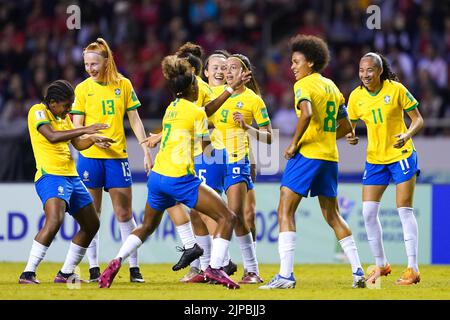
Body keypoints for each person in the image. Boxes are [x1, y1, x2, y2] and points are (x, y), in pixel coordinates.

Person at [98, 55, 240, 289]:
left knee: (146, 227)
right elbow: (206, 148)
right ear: (193, 88)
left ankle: (115, 262)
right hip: (179, 178)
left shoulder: (171, 109)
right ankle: (214, 268)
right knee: (227, 217)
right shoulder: (195, 113)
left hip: (157, 178)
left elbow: (191, 122)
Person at [260, 34, 366, 289]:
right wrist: (345, 136)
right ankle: (359, 272)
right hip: (329, 156)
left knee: (285, 209)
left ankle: (285, 276)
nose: (292, 67)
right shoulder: (332, 86)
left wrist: (294, 143)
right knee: (332, 214)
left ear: (310, 62)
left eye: (296, 61)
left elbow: (306, 113)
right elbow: (346, 127)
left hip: (307, 155)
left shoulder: (304, 85)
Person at [71, 38, 153, 283]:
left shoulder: (123, 85)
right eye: (86, 64)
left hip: (117, 158)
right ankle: (94, 268)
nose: (90, 68)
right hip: (90, 158)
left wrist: (145, 149)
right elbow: (77, 126)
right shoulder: (83, 88)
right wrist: (93, 138)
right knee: (91, 215)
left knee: (124, 213)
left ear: (107, 62)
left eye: (94, 64)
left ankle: (133, 268)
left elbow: (135, 119)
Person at [19, 80, 114, 284]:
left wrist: (93, 139)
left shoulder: (64, 118)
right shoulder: (38, 111)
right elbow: (52, 137)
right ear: (52, 102)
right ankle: (28, 272)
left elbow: (78, 143)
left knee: (91, 224)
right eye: (66, 105)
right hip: (50, 175)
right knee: (54, 221)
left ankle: (66, 273)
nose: (68, 110)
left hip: (72, 176)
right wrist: (86, 128)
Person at [346, 52, 424, 285]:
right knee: (368, 213)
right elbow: (349, 125)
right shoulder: (356, 96)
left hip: (401, 154)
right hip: (375, 159)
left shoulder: (396, 89)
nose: (365, 74)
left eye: (369, 70)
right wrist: (350, 135)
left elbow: (418, 119)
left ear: (380, 71)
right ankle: (381, 264)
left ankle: (413, 268)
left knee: (404, 210)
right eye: (361, 70)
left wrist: (407, 134)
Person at [213, 53, 273, 284]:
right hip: (214, 161)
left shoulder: (254, 101)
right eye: (225, 68)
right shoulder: (217, 95)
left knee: (236, 215)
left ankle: (249, 270)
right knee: (210, 215)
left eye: (233, 68)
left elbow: (268, 138)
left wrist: (247, 126)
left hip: (238, 160)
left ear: (245, 73)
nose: (227, 72)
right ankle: (213, 265)